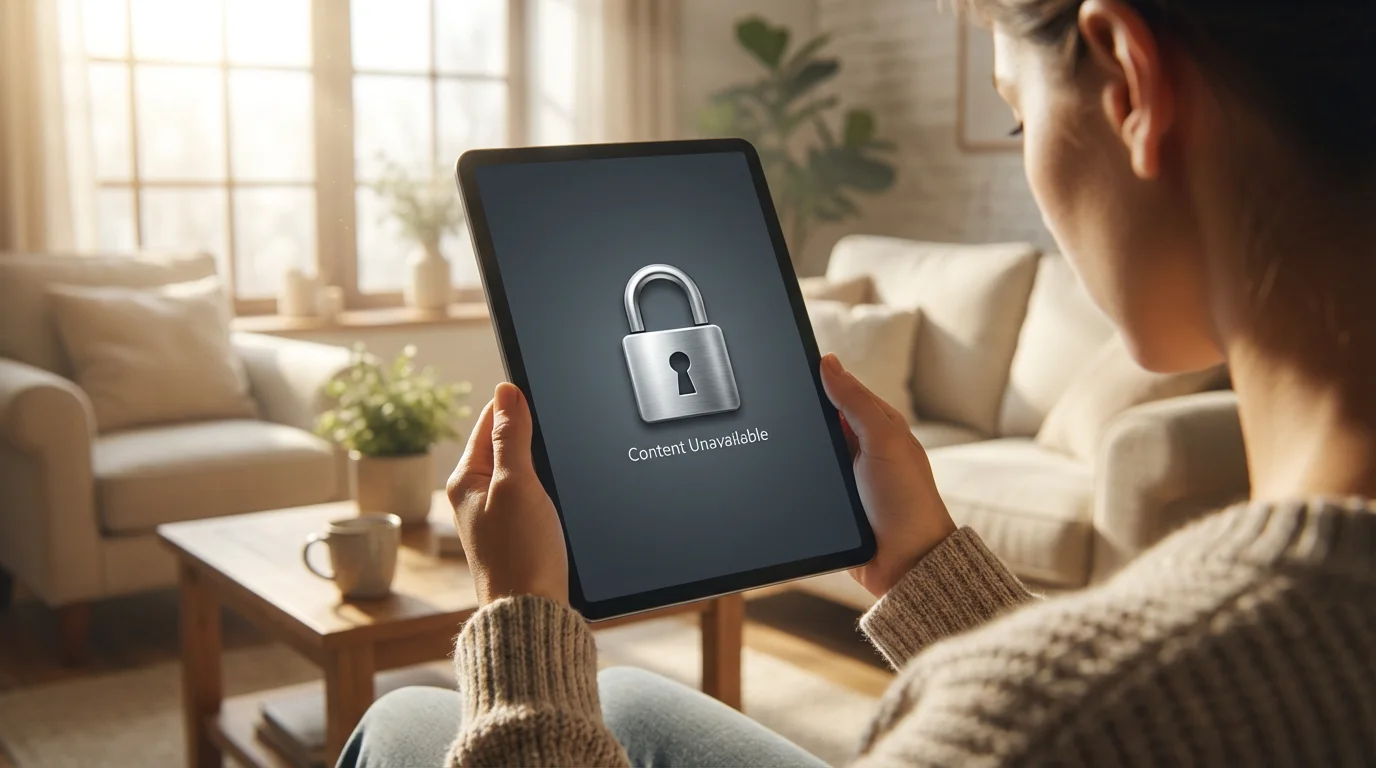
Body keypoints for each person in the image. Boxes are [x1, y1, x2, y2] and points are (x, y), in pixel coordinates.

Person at [340, 0, 1376, 764]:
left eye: (1016, 119)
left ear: (1127, 86)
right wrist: (927, 566)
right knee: (631, 703)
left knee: (404, 723)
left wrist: (522, 614)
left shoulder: (1044, 722)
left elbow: (1076, 719)